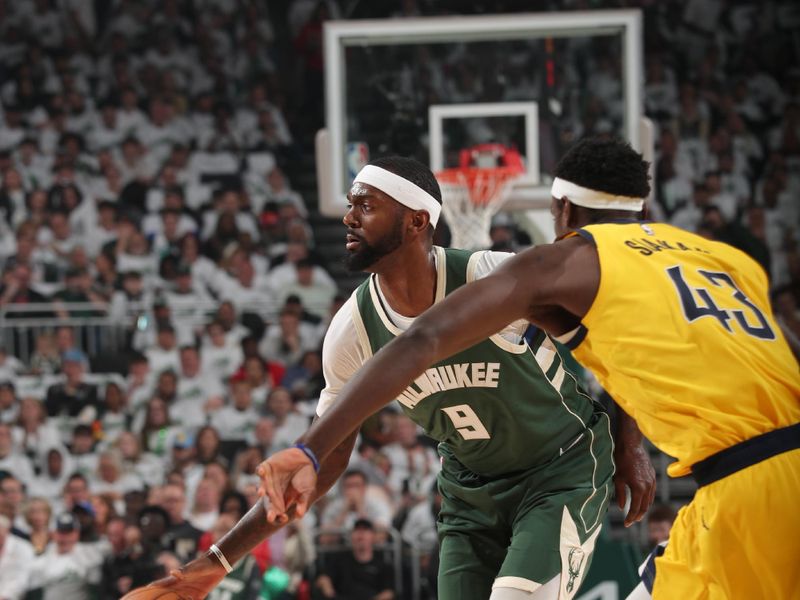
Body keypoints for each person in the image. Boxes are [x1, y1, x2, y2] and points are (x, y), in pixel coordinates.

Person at [257, 139, 800, 600]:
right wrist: (628, 442)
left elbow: (423, 338)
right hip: (759, 468)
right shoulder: (727, 259)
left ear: (560, 208)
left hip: (734, 483)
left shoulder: (562, 262)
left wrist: (306, 447)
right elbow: (647, 353)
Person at [122, 154, 654, 600]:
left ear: (417, 221)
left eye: (366, 205)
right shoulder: (351, 330)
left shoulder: (491, 275)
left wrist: (630, 442)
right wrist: (214, 563)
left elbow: (615, 334)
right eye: (350, 205)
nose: (349, 217)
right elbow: (321, 462)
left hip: (559, 471)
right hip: (469, 496)